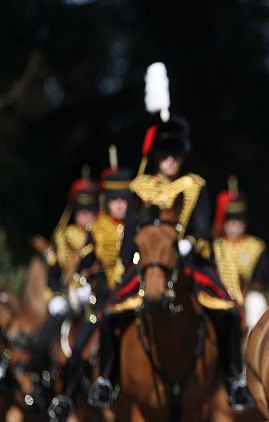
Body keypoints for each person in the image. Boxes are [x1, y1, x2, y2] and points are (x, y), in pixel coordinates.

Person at [89, 62, 254, 410]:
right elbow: (131, 231)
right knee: (108, 313)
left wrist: (187, 243)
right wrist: (127, 263)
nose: (169, 161)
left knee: (227, 308)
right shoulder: (140, 187)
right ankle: (107, 378)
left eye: (175, 154)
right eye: (164, 155)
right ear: (156, 157)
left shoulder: (196, 187)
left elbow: (204, 230)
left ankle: (233, 379)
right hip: (146, 261)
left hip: (188, 263)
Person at [48, 163, 133, 420]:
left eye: (123, 199)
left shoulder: (137, 225)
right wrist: (81, 283)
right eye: (114, 199)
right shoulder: (96, 228)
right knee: (80, 346)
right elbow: (83, 265)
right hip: (103, 297)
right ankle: (67, 397)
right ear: (107, 201)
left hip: (133, 295)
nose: (119, 204)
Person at [28, 175, 98, 405]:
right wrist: (58, 293)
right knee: (42, 340)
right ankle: (40, 378)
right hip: (67, 296)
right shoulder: (63, 236)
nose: (86, 216)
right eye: (82, 211)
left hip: (93, 298)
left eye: (90, 211)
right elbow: (55, 271)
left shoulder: (100, 235)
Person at [212, 179, 269, 331]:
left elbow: (262, 279)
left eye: (239, 219)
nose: (235, 224)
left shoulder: (256, 246)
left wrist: (244, 296)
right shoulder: (215, 247)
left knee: (256, 304)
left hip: (248, 296)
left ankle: (252, 348)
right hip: (218, 295)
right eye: (231, 220)